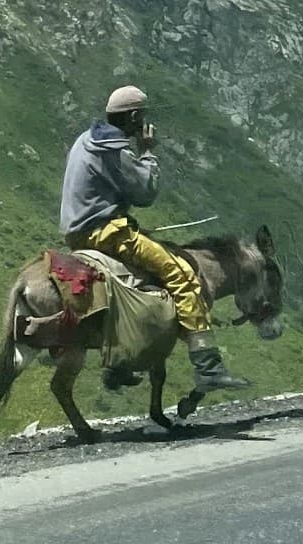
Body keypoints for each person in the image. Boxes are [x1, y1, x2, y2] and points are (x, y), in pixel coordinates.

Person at [60, 85, 246, 392]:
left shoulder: (86, 139)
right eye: (141, 116)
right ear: (134, 117)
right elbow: (145, 193)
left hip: (76, 232)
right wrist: (147, 151)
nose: (143, 122)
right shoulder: (116, 151)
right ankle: (208, 366)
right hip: (106, 233)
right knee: (182, 275)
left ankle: (121, 364)